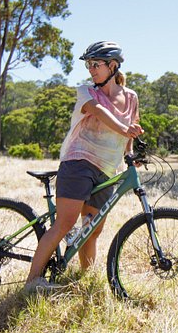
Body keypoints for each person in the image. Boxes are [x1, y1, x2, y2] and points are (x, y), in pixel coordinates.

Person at [24, 41, 144, 294]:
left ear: (113, 66)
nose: (91, 69)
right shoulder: (86, 92)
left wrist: (131, 155)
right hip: (79, 162)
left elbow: (129, 133)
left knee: (93, 230)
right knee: (65, 223)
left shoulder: (131, 97)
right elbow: (99, 113)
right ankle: (32, 282)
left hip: (107, 169)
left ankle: (82, 281)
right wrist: (125, 129)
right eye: (88, 64)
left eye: (95, 64)